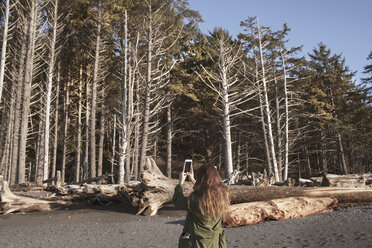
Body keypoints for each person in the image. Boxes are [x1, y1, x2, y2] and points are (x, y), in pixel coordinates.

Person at [172, 165, 229, 248]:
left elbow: (177, 201)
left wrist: (180, 183)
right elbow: (207, 190)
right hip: (214, 242)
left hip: (196, 242)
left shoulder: (195, 199)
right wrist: (192, 180)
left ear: (200, 179)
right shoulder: (222, 195)